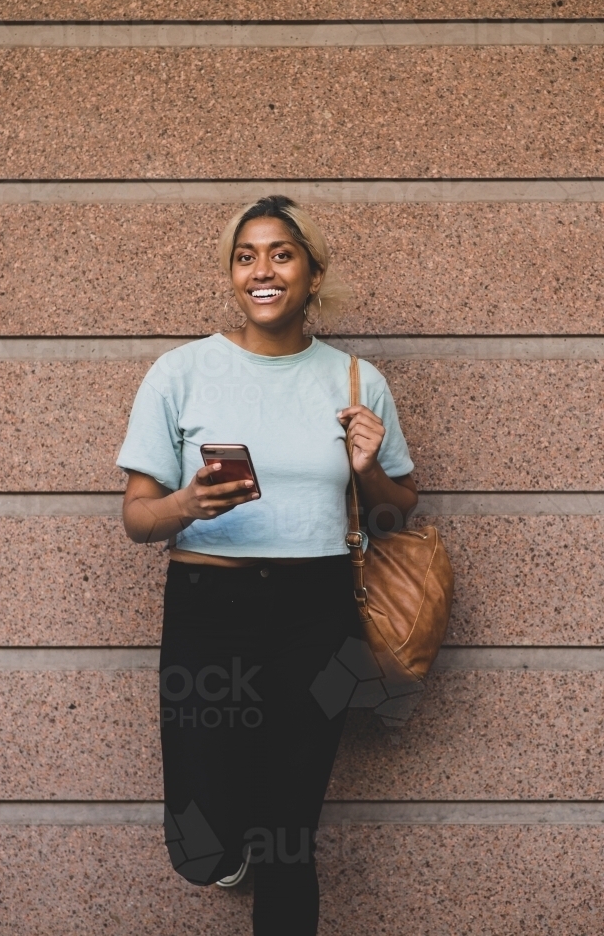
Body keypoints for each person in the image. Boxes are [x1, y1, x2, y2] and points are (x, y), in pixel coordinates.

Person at [116, 196, 417, 935]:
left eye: (281, 254)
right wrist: (187, 503)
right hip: (205, 609)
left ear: (312, 275)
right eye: (246, 255)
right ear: (230, 274)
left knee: (291, 830)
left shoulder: (355, 380)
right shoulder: (180, 372)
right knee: (200, 832)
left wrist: (368, 466)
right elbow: (135, 519)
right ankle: (225, 856)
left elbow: (394, 513)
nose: (263, 270)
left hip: (320, 613)